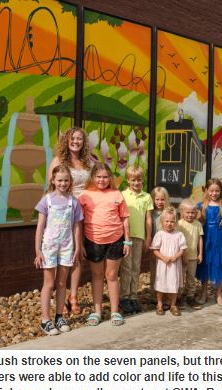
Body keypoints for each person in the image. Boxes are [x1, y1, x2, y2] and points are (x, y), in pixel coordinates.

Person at [34, 165, 84, 335]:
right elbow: (40, 227)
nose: (63, 183)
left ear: (70, 181)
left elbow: (77, 226)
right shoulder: (46, 200)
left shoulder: (73, 202)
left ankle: (59, 316)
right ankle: (45, 320)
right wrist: (38, 250)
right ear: (53, 181)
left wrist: (77, 247)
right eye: (60, 180)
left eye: (66, 180)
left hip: (66, 247)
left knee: (62, 283)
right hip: (49, 247)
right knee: (49, 283)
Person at [78, 163, 130, 326]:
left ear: (110, 178)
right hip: (93, 240)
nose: (102, 180)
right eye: (99, 177)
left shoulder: (117, 194)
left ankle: (115, 312)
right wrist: (80, 243)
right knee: (97, 276)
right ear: (93, 177)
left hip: (116, 239)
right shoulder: (85, 195)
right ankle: (97, 312)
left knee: (112, 276)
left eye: (105, 177)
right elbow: (79, 222)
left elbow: (125, 218)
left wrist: (127, 241)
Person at [47, 127, 91, 316]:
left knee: (77, 253)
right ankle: (60, 295)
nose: (76, 142)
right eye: (72, 138)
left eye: (79, 139)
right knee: (62, 255)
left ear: (84, 142)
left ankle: (73, 296)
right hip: (64, 213)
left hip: (84, 213)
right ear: (66, 140)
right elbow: (51, 188)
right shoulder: (58, 161)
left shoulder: (87, 162)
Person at [119, 165, 153, 314]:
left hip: (139, 236)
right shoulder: (122, 195)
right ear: (128, 180)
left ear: (142, 180)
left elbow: (148, 219)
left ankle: (133, 296)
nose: (136, 183)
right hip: (126, 236)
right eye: (133, 180)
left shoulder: (147, 197)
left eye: (139, 180)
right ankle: (124, 297)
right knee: (126, 267)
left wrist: (148, 236)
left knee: (136, 267)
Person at [196, 178, 222, 307]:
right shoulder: (201, 206)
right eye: (211, 191)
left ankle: (218, 295)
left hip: (220, 238)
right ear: (206, 191)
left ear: (221, 191)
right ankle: (204, 293)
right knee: (206, 265)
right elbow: (198, 223)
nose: (214, 193)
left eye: (217, 191)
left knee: (218, 265)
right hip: (206, 238)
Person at [149, 207, 187, 316]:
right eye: (167, 221)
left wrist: (176, 257)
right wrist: (163, 257)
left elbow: (182, 249)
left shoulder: (179, 234)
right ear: (162, 221)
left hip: (174, 264)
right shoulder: (159, 234)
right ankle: (159, 304)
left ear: (175, 222)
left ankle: (173, 305)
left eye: (172, 221)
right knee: (161, 284)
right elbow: (155, 249)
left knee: (173, 284)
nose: (169, 224)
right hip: (163, 264)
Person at [177, 198, 204, 310]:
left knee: (191, 278)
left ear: (196, 213)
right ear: (182, 212)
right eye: (187, 212)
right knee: (180, 277)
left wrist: (200, 253)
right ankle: (179, 297)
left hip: (193, 257)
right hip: (181, 257)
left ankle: (190, 297)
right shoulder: (179, 224)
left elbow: (200, 239)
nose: (190, 215)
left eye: (193, 212)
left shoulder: (197, 224)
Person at [148, 187, 170, 294]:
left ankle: (166, 292)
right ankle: (154, 291)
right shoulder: (150, 213)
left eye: (162, 199)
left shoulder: (168, 213)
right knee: (154, 268)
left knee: (165, 269)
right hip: (154, 246)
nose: (160, 202)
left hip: (166, 246)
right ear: (153, 199)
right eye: (157, 199)